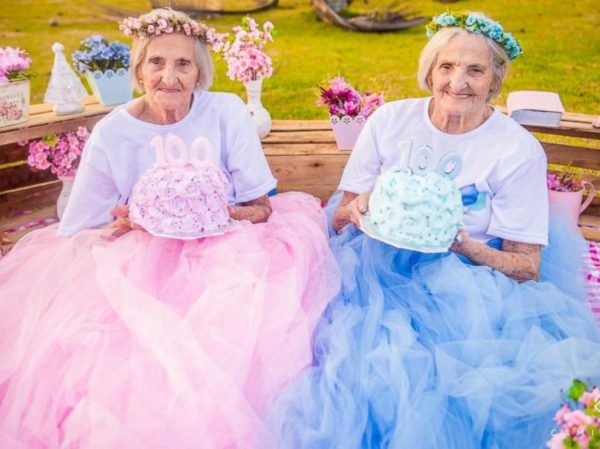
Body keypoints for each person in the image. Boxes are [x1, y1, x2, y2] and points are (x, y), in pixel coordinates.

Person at [0, 9, 339, 448]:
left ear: (200, 72)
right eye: (157, 62)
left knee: (232, 339)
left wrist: (211, 214)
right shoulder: (113, 133)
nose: (169, 76)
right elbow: (81, 228)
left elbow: (261, 208)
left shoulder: (226, 111)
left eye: (184, 64)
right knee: (127, 360)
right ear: (139, 69)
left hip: (231, 253)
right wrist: (132, 222)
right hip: (141, 257)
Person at [267, 12, 600, 449]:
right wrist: (361, 205)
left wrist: (463, 246)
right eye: (447, 66)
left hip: (469, 285)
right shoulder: (390, 121)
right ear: (430, 71)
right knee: (333, 355)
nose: (458, 82)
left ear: (495, 81)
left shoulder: (517, 150)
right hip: (371, 267)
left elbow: (527, 266)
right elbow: (341, 214)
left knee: (437, 379)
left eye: (475, 70)